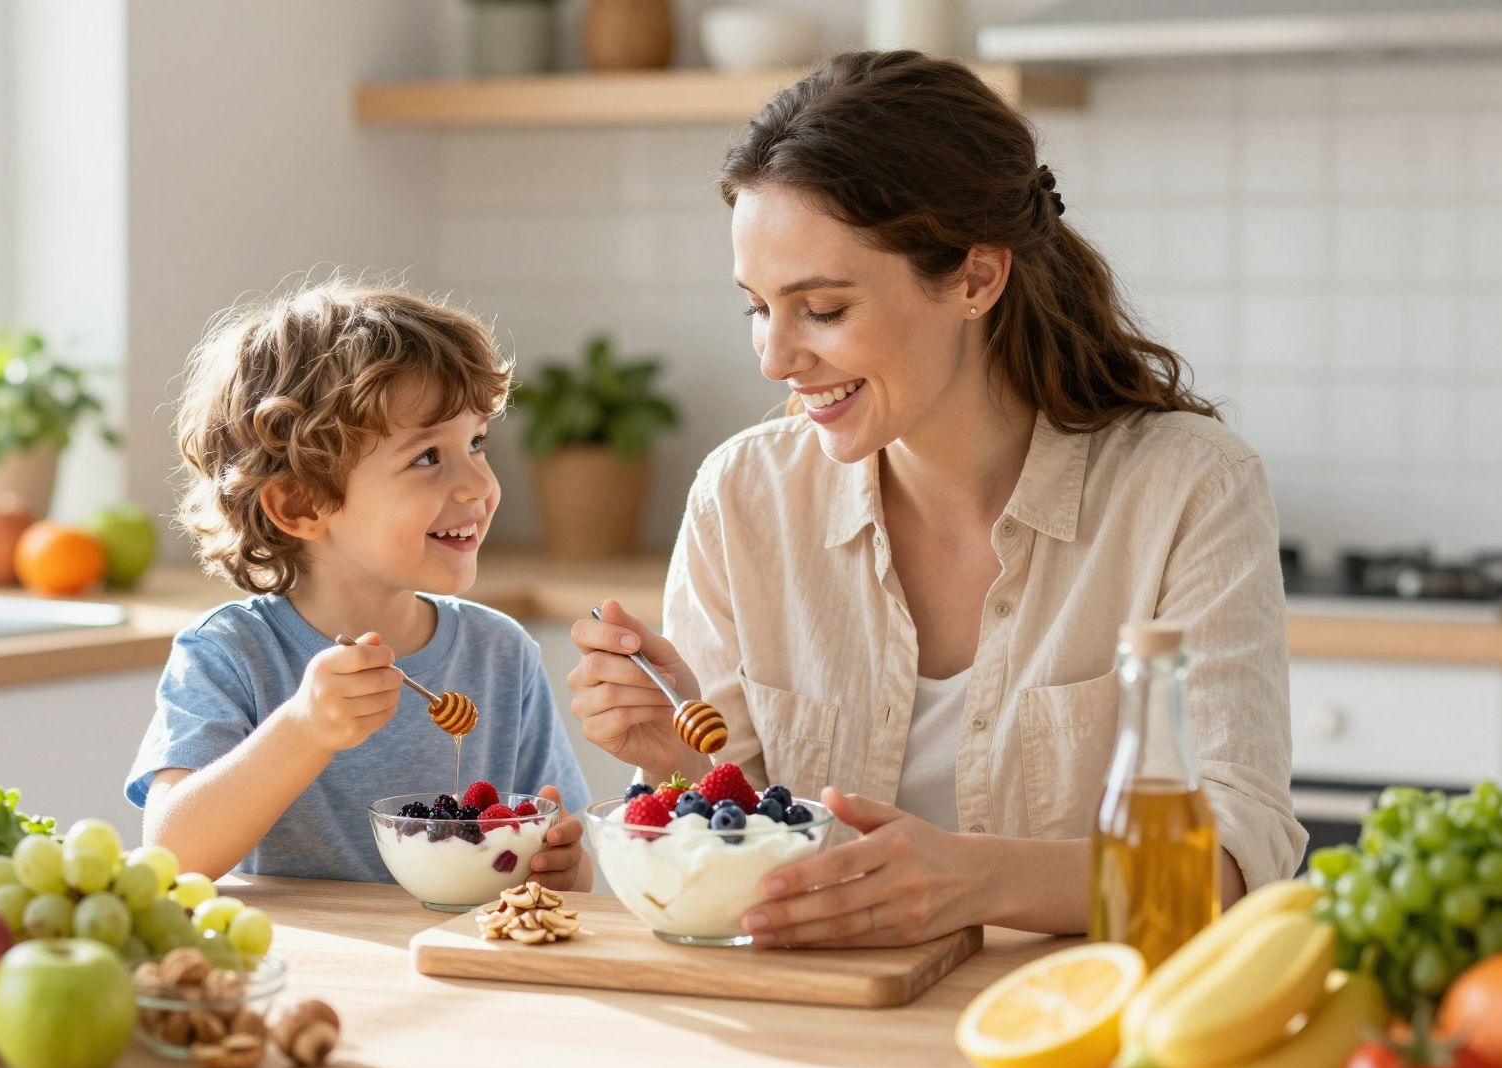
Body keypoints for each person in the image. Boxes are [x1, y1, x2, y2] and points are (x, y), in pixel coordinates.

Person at [568, 52, 1302, 948]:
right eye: (757, 307)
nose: (774, 357)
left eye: (824, 309)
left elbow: (1232, 863)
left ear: (975, 280)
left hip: (1074, 1027)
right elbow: (740, 856)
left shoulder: (1189, 490)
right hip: (823, 1028)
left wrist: (974, 877)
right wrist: (680, 759)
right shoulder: (743, 498)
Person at [128, 276, 592, 887]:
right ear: (299, 505)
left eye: (476, 442)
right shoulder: (230, 655)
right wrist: (304, 730)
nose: (478, 484)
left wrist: (559, 864)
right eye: (427, 456)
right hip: (305, 972)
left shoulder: (501, 654)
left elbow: (567, 870)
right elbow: (169, 857)